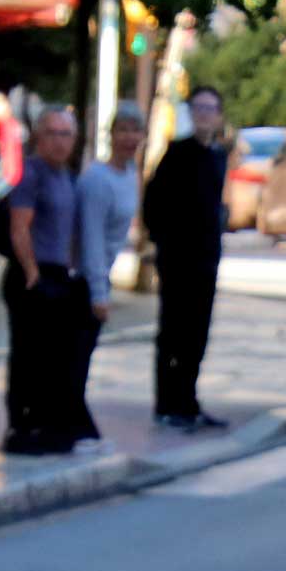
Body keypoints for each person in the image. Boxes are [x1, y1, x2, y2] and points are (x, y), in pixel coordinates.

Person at [145, 84, 230, 431]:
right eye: (198, 108)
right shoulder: (177, 153)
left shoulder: (218, 156)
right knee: (173, 332)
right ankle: (167, 403)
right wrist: (163, 244)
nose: (204, 115)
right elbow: (153, 202)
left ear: (219, 116)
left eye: (210, 109)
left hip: (206, 259)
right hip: (178, 259)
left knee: (197, 333)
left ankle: (188, 400)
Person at [2, 106, 84, 454]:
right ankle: (21, 427)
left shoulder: (68, 177)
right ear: (39, 136)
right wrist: (32, 272)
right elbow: (19, 226)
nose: (59, 142)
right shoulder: (31, 174)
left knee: (53, 358)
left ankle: (46, 425)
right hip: (32, 274)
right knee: (27, 356)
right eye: (52, 133)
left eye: (66, 134)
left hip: (58, 274)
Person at [68, 103, 147, 451]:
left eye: (135, 130)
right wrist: (98, 293)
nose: (129, 138)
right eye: (123, 130)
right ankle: (75, 429)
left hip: (102, 273)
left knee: (82, 358)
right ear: (111, 135)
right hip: (83, 280)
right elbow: (91, 239)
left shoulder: (129, 175)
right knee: (75, 359)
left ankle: (78, 427)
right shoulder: (97, 180)